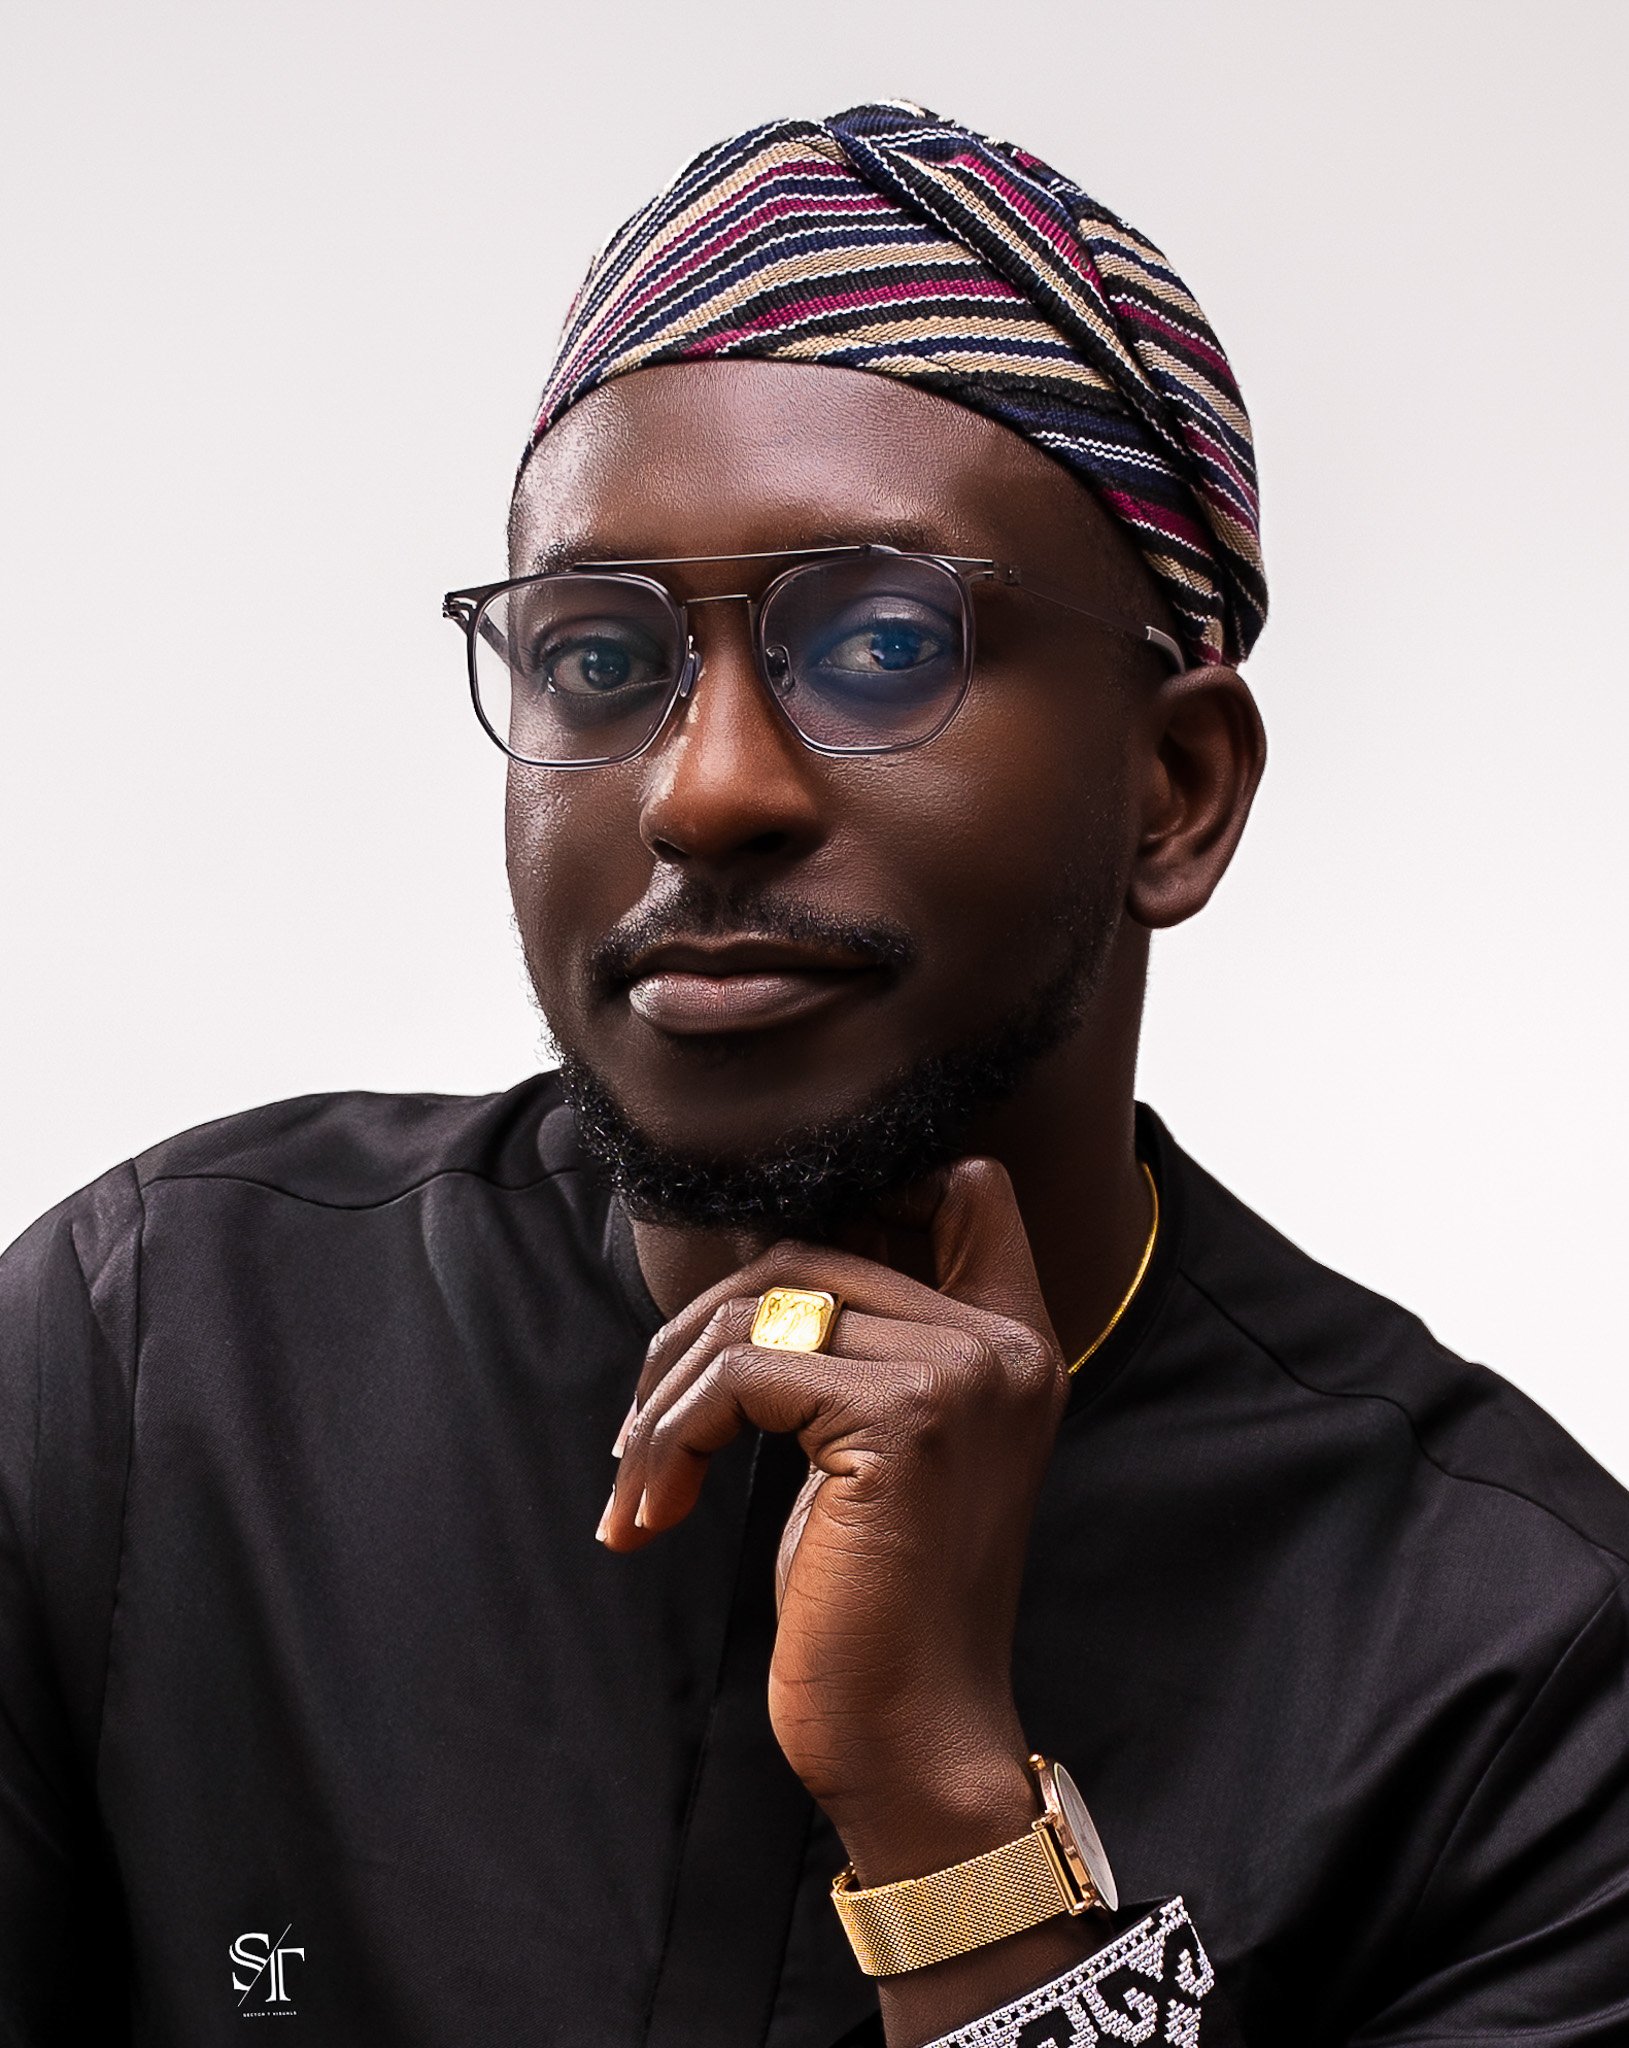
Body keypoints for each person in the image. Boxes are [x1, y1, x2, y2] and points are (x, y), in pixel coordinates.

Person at [2, 100, 1625, 2048]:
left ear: (1173, 793)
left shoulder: (1510, 1680)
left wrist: (949, 1822)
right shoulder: (159, 1362)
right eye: (598, 663)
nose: (705, 787)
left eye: (875, 644)